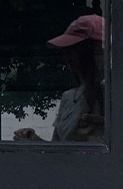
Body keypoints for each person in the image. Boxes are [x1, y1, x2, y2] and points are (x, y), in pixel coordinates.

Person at [14, 14, 105, 143]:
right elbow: (57, 147)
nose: (68, 55)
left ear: (98, 50)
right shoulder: (69, 98)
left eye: (76, 48)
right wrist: (35, 141)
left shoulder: (116, 93)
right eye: (66, 49)